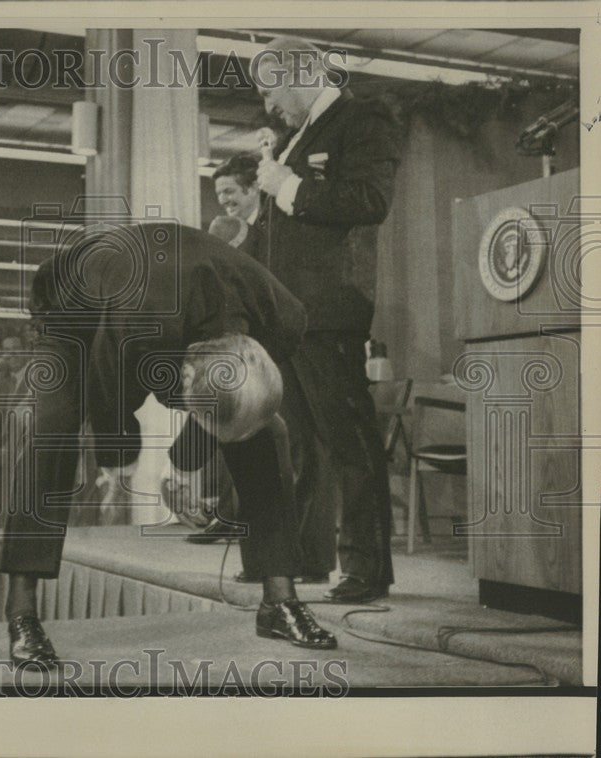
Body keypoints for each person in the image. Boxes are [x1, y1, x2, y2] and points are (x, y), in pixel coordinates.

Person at [0, 222, 337, 666]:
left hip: (165, 285)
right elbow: (107, 387)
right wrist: (117, 462)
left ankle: (279, 600)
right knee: (52, 431)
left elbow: (233, 410)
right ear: (185, 374)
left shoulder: (284, 318)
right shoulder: (142, 326)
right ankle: (21, 611)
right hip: (73, 308)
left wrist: (183, 464)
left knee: (268, 433)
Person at [252, 35, 401, 603]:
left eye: (272, 90)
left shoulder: (363, 119)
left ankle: (368, 568)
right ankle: (308, 559)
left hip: (329, 309)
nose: (270, 106)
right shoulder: (296, 139)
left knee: (348, 441)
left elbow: (369, 200)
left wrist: (288, 184)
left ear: (300, 73)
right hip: (289, 314)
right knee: (300, 444)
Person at [211, 155, 266, 264]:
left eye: (229, 192)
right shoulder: (230, 230)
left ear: (253, 188)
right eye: (219, 194)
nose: (222, 201)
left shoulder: (271, 229)